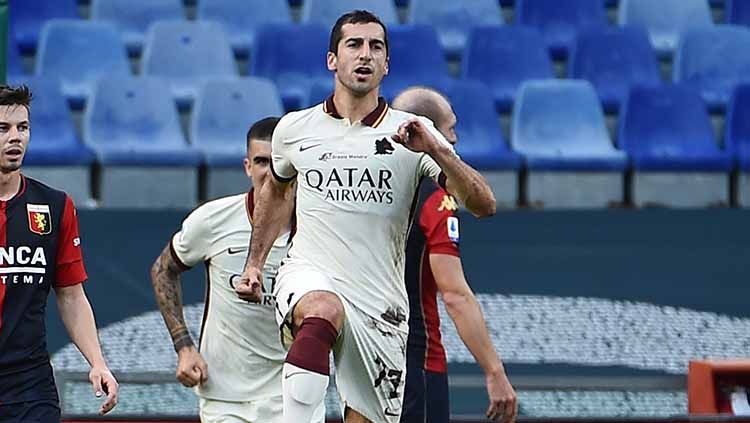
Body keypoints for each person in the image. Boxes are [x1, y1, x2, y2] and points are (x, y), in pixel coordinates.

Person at [235, 10, 498, 423]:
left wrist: (437, 149)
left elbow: (484, 205)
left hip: (381, 304)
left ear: (386, 64)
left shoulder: (412, 133)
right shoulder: (294, 129)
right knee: (322, 308)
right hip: (311, 271)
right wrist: (254, 263)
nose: (365, 54)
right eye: (354, 45)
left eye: (376, 47)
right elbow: (277, 190)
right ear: (332, 60)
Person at [150, 117, 324, 423]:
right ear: (247, 167)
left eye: (279, 163)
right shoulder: (213, 220)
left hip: (293, 397)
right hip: (225, 398)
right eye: (261, 162)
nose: (270, 172)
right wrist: (184, 346)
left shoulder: (319, 231)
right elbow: (163, 270)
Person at [393, 87, 517, 423]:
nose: (455, 138)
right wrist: (494, 371)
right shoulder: (435, 198)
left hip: (366, 359)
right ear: (429, 133)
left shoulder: (369, 185)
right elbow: (455, 295)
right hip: (417, 363)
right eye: (450, 129)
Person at [0, 85, 118, 422]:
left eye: (22, 128)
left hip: (29, 385)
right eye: (3, 129)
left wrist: (97, 362)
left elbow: (70, 295)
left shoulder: (54, 206)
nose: (15, 138)